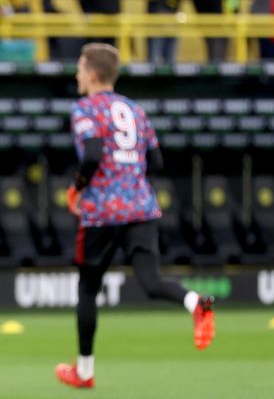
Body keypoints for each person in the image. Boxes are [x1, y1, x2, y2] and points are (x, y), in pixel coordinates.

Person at [54, 43, 215, 389]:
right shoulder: (135, 109)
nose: (77, 74)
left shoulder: (84, 109)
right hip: (141, 207)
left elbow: (92, 154)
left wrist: (77, 187)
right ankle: (195, 302)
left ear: (92, 74)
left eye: (80, 68)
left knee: (88, 288)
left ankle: (84, 371)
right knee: (151, 281)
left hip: (102, 212)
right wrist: (129, 180)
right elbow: (155, 161)